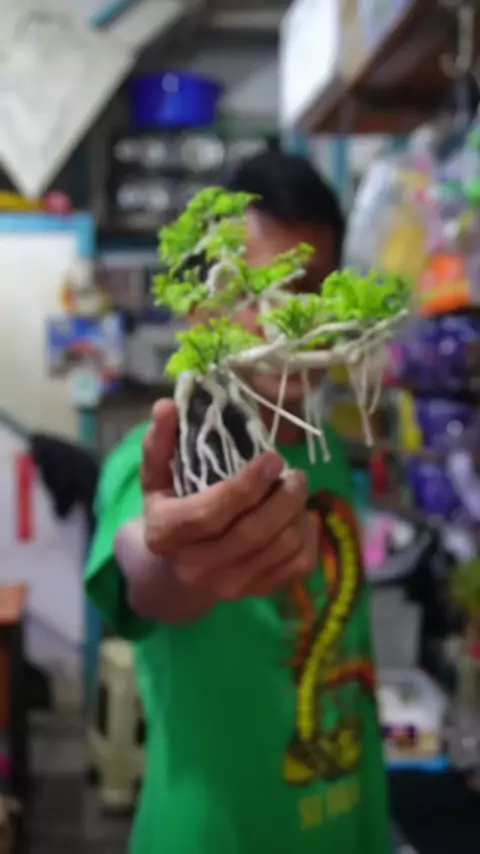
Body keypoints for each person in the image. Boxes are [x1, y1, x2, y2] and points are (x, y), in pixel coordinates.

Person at [85, 150, 390, 854]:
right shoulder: (156, 457)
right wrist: (175, 556)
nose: (295, 321)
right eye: (260, 293)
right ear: (201, 310)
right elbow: (148, 564)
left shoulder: (325, 452)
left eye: (316, 289)